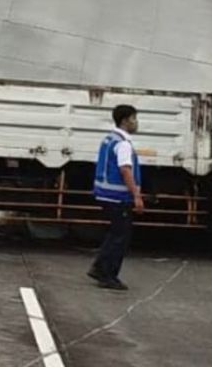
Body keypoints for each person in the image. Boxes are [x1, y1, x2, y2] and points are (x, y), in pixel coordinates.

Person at [88, 104, 143, 291]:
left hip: (105, 195)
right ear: (125, 120)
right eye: (134, 119)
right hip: (118, 197)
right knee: (120, 237)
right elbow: (125, 170)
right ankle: (108, 275)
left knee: (113, 234)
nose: (136, 123)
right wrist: (136, 195)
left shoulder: (109, 139)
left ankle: (98, 267)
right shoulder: (123, 144)